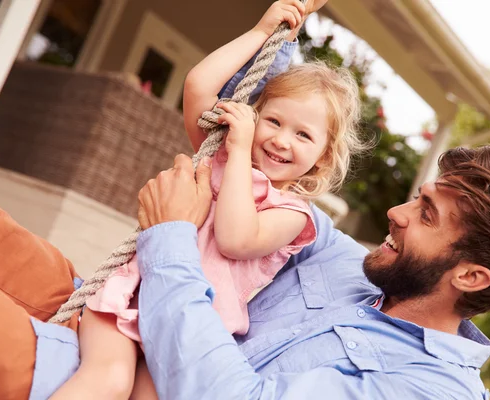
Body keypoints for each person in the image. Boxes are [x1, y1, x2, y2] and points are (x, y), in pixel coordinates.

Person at [0, 7, 490, 400]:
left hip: (96, 376)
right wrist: (278, 30)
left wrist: (170, 236)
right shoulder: (355, 266)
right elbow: (258, 105)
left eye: (426, 216)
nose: (396, 213)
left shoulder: (426, 388)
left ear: (469, 274)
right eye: (419, 198)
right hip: (109, 313)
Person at [50, 0, 367, 398]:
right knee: (109, 380)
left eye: (303, 135)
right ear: (254, 117)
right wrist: (259, 33)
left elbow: (236, 237)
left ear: (322, 156)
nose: (281, 140)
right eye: (273, 121)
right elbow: (199, 86)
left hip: (188, 333)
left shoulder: (291, 214)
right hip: (130, 296)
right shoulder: (219, 153)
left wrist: (238, 152)